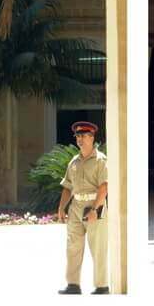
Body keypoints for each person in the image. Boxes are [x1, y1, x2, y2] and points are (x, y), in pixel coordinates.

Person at [58, 120, 108, 295]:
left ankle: (102, 286)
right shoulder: (74, 162)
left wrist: (95, 209)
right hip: (76, 207)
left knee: (98, 247)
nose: (80, 139)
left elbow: (104, 187)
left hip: (95, 205)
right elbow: (67, 187)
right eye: (78, 136)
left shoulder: (101, 160)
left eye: (84, 136)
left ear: (92, 137)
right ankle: (73, 284)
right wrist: (61, 208)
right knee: (73, 246)